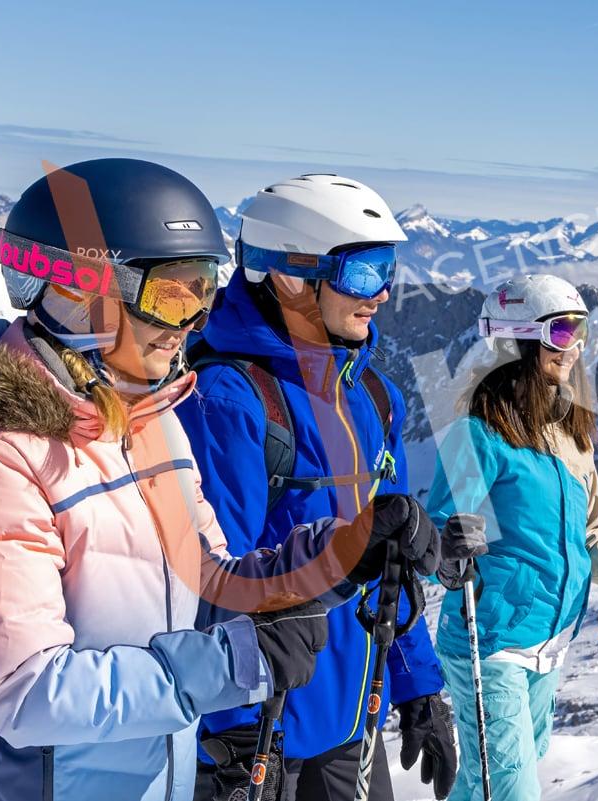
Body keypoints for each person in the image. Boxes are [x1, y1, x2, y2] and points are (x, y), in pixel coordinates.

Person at [0, 158, 439, 801]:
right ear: (80, 293)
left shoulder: (147, 423)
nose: (195, 322)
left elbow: (211, 581)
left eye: (204, 290)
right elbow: (25, 692)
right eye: (173, 293)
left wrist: (339, 555)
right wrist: (232, 664)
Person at [179, 173, 456, 801]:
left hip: (351, 727)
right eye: (362, 272)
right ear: (289, 274)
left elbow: (393, 565)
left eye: (388, 268)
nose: (383, 293)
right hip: (261, 739)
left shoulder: (371, 394)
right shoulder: (231, 401)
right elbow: (215, 585)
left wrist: (417, 688)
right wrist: (232, 737)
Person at [424, 274, 598, 801]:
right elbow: (434, 533)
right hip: (490, 642)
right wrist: (447, 554)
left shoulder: (573, 433)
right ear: (518, 339)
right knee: (511, 790)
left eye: (580, 333)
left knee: (486, 781)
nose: (574, 348)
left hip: (548, 645)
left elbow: (590, 541)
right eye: (560, 334)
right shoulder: (480, 432)